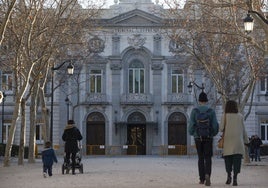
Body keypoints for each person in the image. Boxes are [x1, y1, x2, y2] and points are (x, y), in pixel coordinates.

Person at [189, 92, 219, 186]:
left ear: (199, 101)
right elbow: (215, 125)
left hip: (198, 138)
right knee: (208, 157)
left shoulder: (194, 111)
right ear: (206, 101)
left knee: (200, 158)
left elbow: (191, 126)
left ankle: (201, 179)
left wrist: (193, 133)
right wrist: (212, 134)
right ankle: (207, 175)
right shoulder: (211, 111)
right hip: (208, 137)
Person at [219, 100, 249, 186]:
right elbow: (244, 130)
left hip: (228, 141)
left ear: (227, 107)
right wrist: (246, 141)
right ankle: (235, 178)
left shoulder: (224, 116)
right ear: (236, 107)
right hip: (238, 142)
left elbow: (221, 129)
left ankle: (229, 176)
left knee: (228, 160)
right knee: (237, 161)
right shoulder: (240, 116)